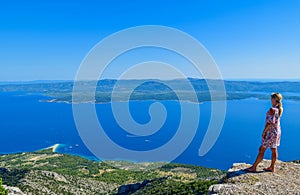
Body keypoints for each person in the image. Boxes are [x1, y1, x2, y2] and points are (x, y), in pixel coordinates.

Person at [245, 93, 283, 173]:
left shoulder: (272, 110)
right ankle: (272, 167)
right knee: (274, 149)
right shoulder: (279, 109)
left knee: (261, 149)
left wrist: (264, 132)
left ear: (274, 99)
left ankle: (254, 167)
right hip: (277, 132)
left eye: (272, 98)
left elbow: (269, 123)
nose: (271, 100)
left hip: (270, 132)